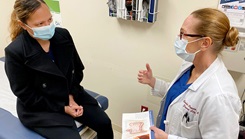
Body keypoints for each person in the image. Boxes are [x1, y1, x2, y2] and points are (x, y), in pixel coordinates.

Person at [5, 0, 113, 139]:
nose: (48, 26)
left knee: (104, 123)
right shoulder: (16, 52)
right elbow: (26, 95)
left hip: (70, 94)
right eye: (40, 24)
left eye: (49, 19)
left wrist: (71, 96)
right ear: (23, 25)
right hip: (41, 107)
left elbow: (77, 71)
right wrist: (63, 107)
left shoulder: (63, 36)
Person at [138, 8, 242, 139]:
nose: (178, 39)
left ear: (205, 43)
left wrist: (167, 138)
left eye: (183, 34)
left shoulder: (220, 96)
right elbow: (179, 96)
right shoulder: (190, 64)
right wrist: (153, 82)